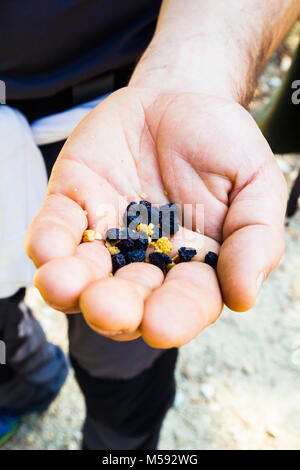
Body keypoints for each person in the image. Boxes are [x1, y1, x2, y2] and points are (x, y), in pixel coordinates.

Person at [1, 0, 299, 450]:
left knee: (122, 355)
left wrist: (194, 78)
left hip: (124, 113)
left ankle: (122, 445)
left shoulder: (148, 216)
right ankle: (29, 381)